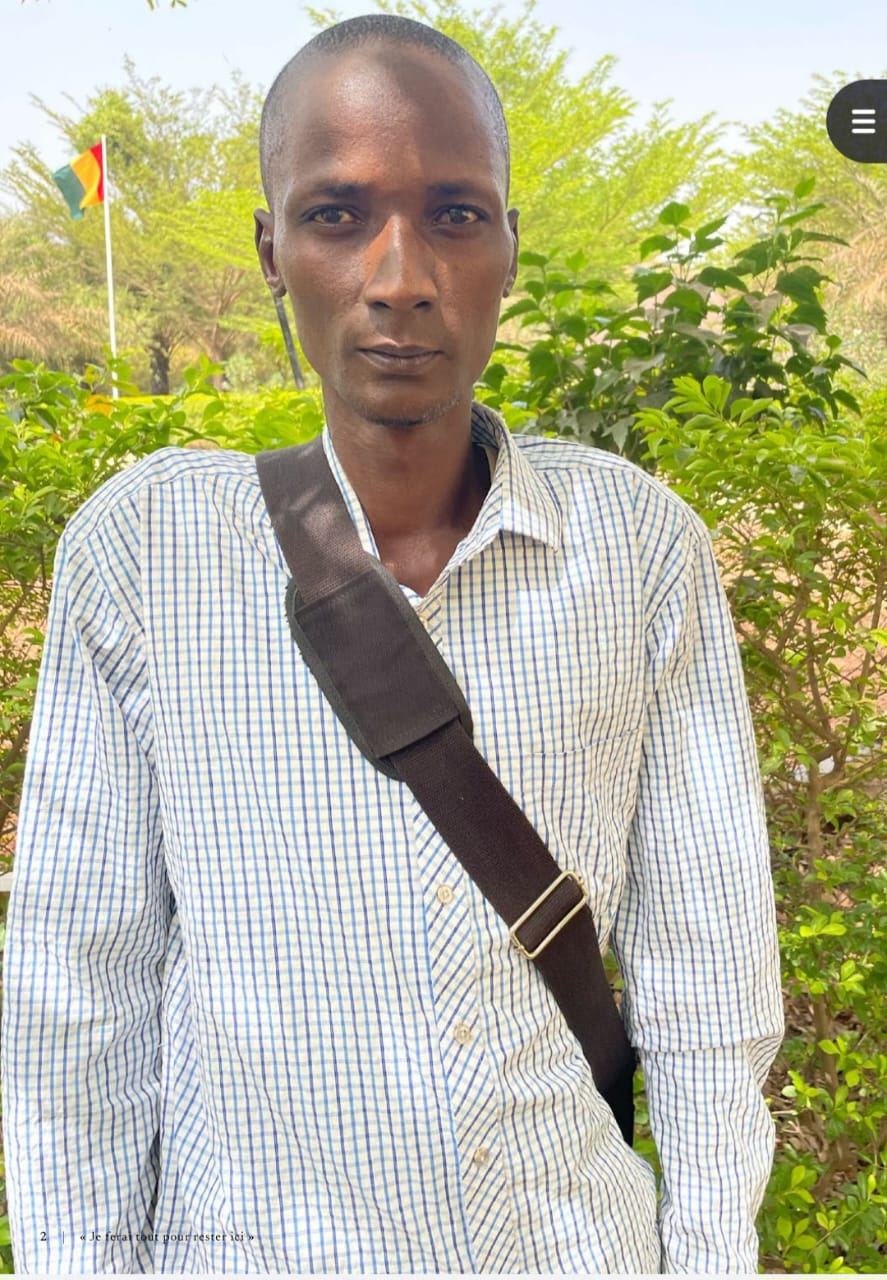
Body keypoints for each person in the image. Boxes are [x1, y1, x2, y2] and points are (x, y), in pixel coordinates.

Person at [1, 13, 783, 1274]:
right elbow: (79, 1000)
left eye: (455, 214)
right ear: (271, 249)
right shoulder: (145, 556)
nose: (400, 274)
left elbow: (710, 984)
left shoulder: (638, 551)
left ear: (509, 246)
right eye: (337, 214)